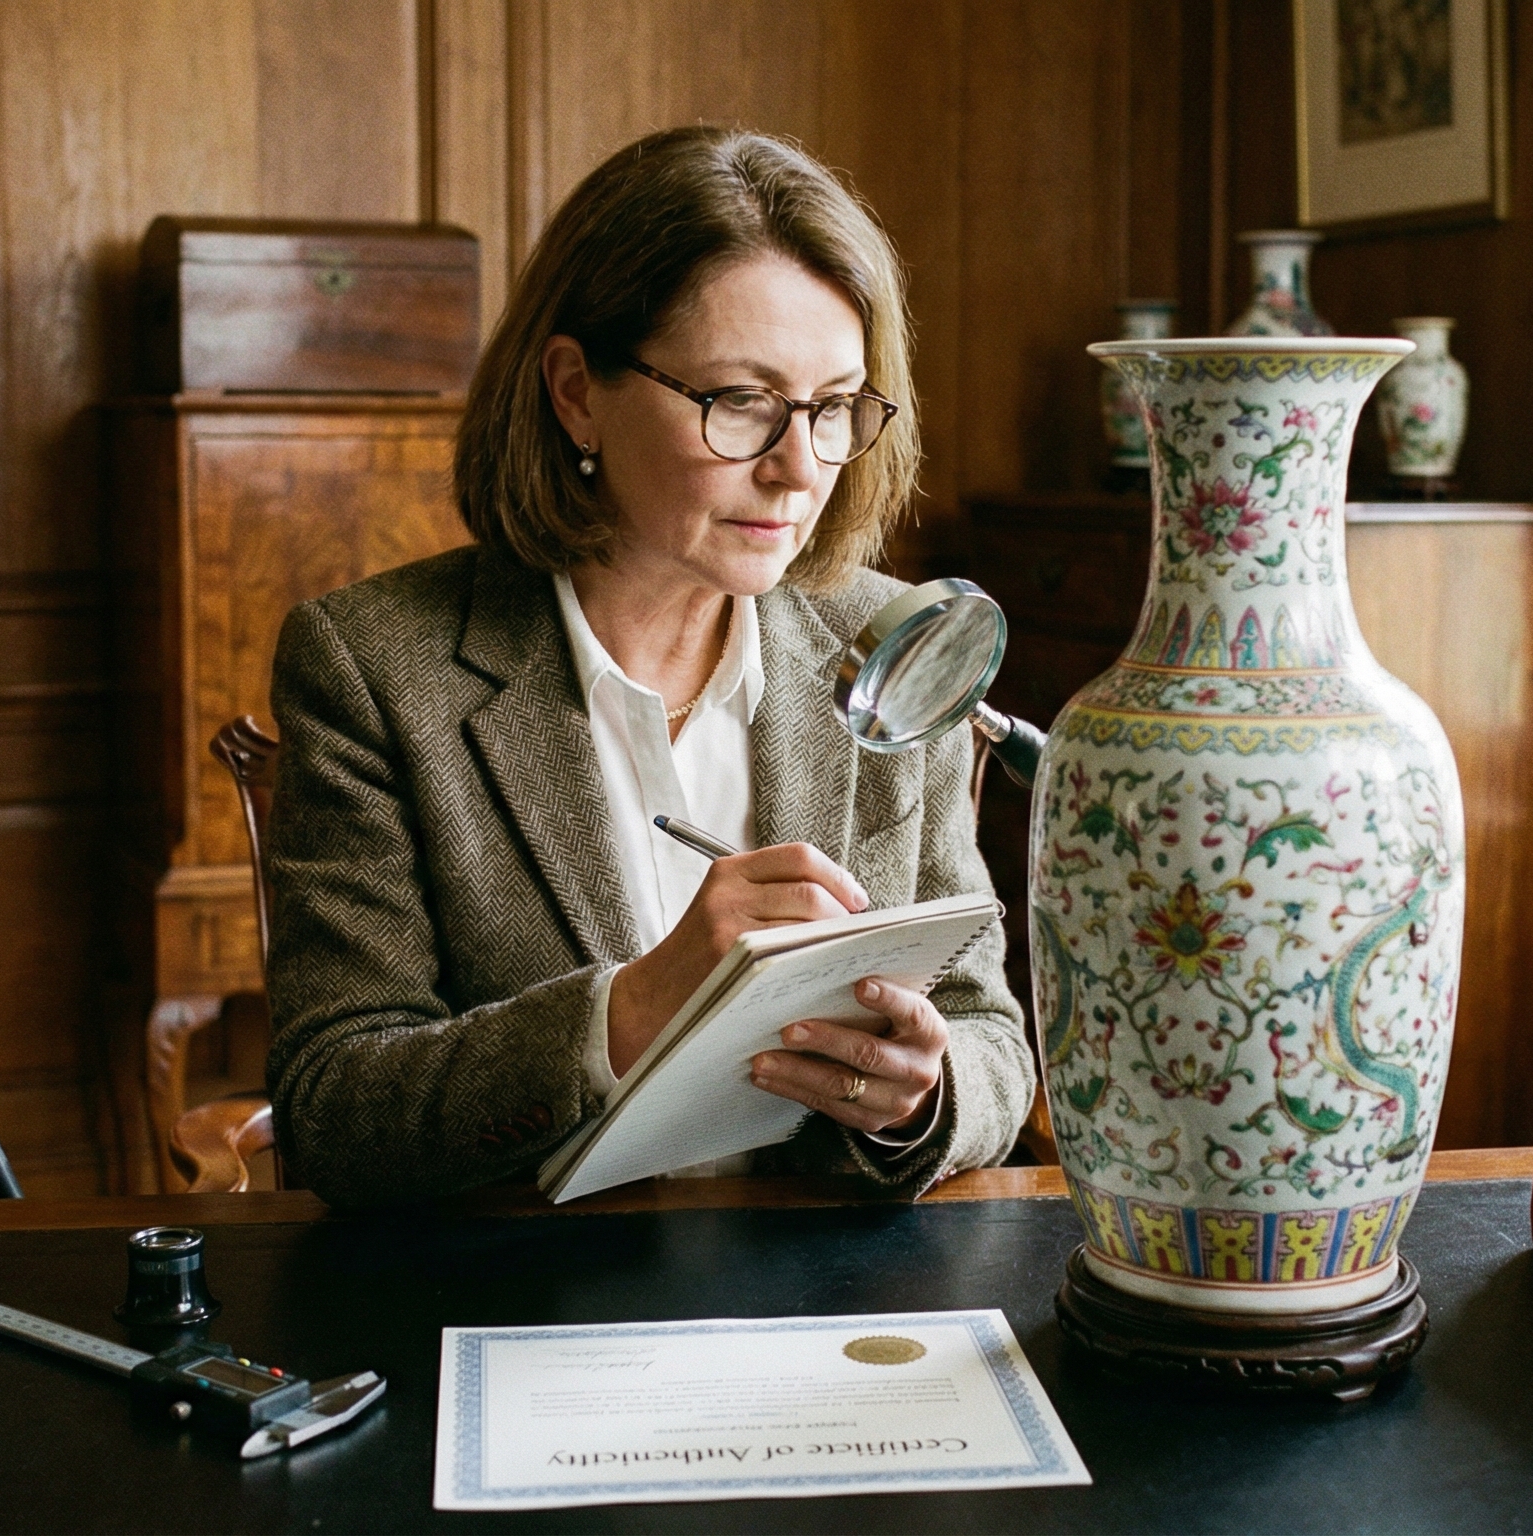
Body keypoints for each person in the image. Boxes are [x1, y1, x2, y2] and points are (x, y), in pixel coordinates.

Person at [262, 125, 1033, 1206]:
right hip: (526, 1306)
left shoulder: (897, 647)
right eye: (741, 402)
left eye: (831, 408)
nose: (796, 468)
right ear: (576, 390)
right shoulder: (377, 667)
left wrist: (922, 1095)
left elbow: (990, 1037)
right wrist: (633, 1008)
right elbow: (331, 1109)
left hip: (827, 1300)